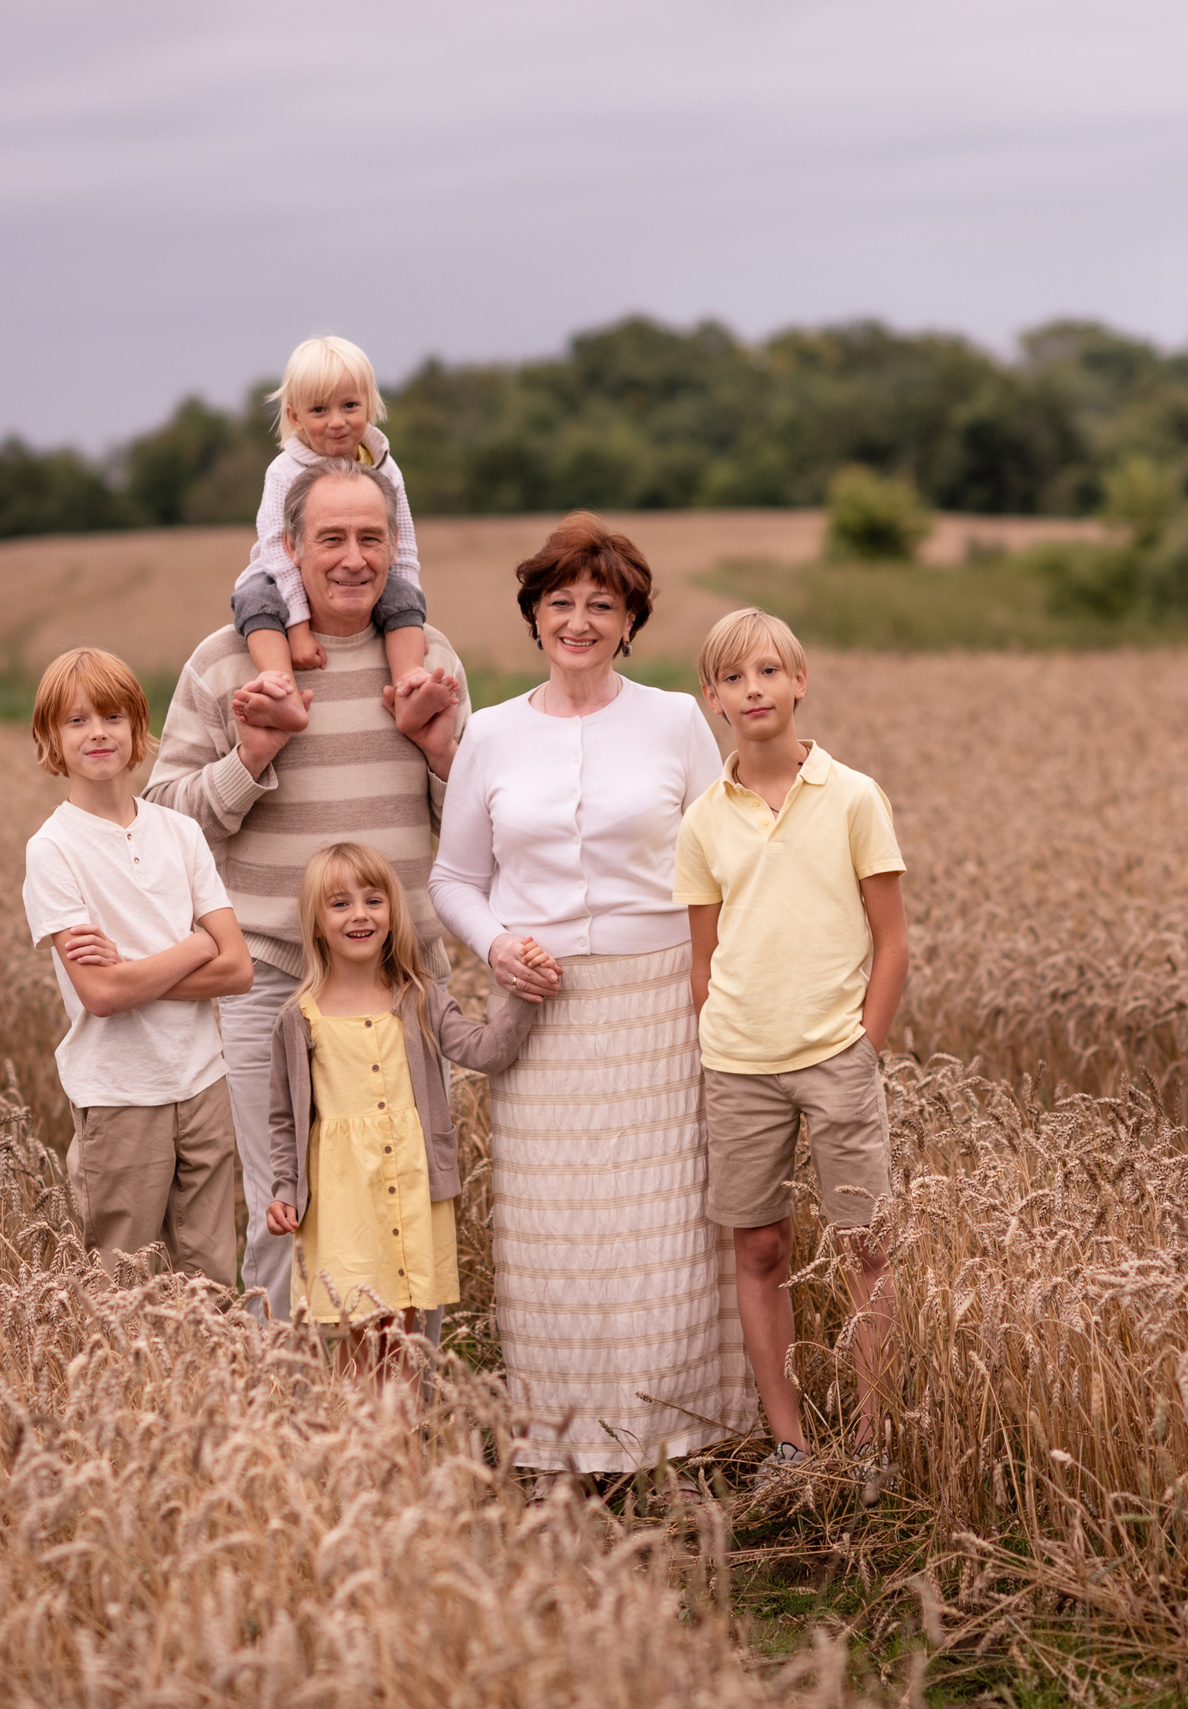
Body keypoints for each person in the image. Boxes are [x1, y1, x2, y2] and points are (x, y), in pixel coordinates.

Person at [429, 512, 757, 1485]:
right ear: (534, 614)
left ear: (628, 622)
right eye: (560, 602)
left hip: (659, 1006)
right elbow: (453, 878)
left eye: (599, 606)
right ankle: (563, 1445)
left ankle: (680, 1440)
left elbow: (721, 858)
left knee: (665, 1228)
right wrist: (497, 946)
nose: (577, 620)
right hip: (542, 1017)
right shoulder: (488, 733)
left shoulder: (671, 721)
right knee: (554, 1234)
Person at [147, 458, 468, 1317]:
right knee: (284, 1207)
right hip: (270, 984)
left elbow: (470, 826)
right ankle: (291, 1431)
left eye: (371, 538)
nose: (353, 558)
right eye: (331, 539)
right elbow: (161, 823)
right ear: (290, 548)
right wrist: (252, 754)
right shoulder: (223, 667)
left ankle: (404, 1423)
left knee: (407, 1193)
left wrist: (440, 752)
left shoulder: (429, 662)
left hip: (403, 984)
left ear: (395, 547)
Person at [673, 607, 910, 1488]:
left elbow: (892, 939)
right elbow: (704, 959)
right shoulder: (703, 820)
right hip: (739, 1064)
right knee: (761, 1248)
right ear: (713, 700)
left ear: (799, 681)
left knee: (866, 1247)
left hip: (835, 1057)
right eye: (734, 678)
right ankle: (789, 1445)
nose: (754, 689)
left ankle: (878, 1439)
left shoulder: (852, 796)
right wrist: (721, 1031)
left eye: (769, 671)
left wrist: (864, 1047)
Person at [20, 647, 255, 1277]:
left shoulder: (179, 832)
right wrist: (196, 945)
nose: (98, 733)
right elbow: (100, 996)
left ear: (137, 728)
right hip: (121, 1093)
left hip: (204, 1083)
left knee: (211, 1282)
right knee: (122, 1287)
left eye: (113, 717)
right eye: (76, 721)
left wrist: (133, 970)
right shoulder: (53, 851)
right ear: (51, 738)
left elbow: (239, 971)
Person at [263, 843, 534, 1372]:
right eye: (339, 904)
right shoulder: (298, 1018)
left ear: (392, 912)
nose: (360, 915)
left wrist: (522, 990)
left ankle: (406, 1452)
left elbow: (485, 1051)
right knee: (353, 1341)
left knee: (404, 1344)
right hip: (342, 1204)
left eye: (373, 900)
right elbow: (283, 1119)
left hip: (411, 1189)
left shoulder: (419, 997)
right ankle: (360, 1451)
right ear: (316, 924)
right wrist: (283, 1188)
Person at [229, 336, 431, 734]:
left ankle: (410, 688)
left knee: (404, 595)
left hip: (364, 576)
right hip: (280, 572)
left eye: (349, 406)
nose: (337, 421)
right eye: (319, 409)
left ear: (369, 406)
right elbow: (275, 546)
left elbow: (402, 543)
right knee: (253, 600)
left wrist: (413, 618)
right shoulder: (284, 471)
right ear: (295, 415)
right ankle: (280, 692)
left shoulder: (386, 468)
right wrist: (298, 627)